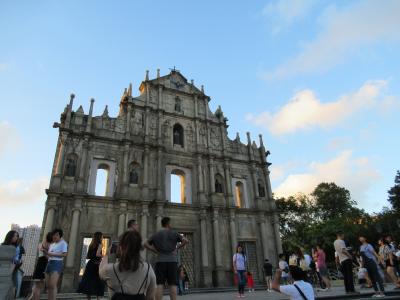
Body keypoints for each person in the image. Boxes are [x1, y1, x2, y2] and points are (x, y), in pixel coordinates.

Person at [100, 230, 156, 299]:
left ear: (120, 247)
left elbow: (101, 271)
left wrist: (106, 255)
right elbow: (150, 297)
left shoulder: (110, 269)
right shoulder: (148, 269)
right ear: (139, 249)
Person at [144, 217, 188, 300]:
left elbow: (145, 243)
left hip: (160, 261)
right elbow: (186, 240)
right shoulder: (174, 233)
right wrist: (177, 248)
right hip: (172, 261)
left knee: (159, 284)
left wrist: (155, 250)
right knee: (172, 284)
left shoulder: (156, 234)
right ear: (168, 223)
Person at [78, 232, 105, 299]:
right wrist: (104, 255)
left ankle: (88, 298)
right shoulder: (100, 244)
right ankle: (98, 298)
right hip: (97, 265)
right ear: (99, 237)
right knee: (98, 281)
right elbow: (97, 254)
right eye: (102, 236)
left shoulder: (91, 244)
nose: (102, 238)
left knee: (88, 281)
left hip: (90, 264)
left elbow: (88, 256)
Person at [44, 229, 68, 300]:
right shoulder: (51, 245)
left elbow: (64, 254)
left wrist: (50, 254)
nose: (55, 236)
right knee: (48, 286)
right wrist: (45, 253)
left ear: (60, 236)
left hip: (57, 263)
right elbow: (49, 256)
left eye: (57, 235)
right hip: (49, 263)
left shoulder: (63, 243)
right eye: (53, 235)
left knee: (53, 285)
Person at [28, 232, 53, 300]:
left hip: (39, 264)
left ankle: (31, 298)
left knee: (36, 286)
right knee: (39, 287)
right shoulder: (50, 246)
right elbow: (49, 258)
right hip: (44, 265)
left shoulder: (40, 244)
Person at [2, 230, 20, 297]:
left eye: (17, 236)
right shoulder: (2, 246)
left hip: (13, 269)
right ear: (10, 236)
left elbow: (15, 261)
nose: (16, 237)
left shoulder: (16, 248)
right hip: (3, 269)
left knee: (14, 286)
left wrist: (10, 272)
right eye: (15, 236)